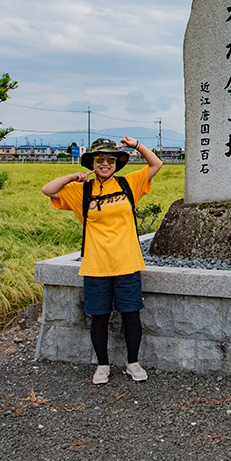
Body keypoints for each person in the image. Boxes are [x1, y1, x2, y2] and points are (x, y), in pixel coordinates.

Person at [42, 137, 162, 385]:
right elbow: (48, 190)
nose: (105, 163)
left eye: (110, 159)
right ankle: (103, 366)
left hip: (127, 262)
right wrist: (73, 177)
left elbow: (156, 164)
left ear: (117, 163)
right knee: (99, 317)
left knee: (131, 315)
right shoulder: (82, 191)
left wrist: (136, 145)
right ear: (92, 163)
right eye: (99, 159)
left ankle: (133, 363)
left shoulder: (129, 184)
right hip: (96, 265)